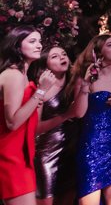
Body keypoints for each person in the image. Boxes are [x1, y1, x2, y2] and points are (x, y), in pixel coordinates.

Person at [1, 26, 65, 205]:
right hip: (11, 156)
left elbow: (31, 123)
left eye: (39, 41)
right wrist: (41, 91)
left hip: (22, 154)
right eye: (32, 41)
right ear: (17, 46)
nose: (39, 45)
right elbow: (12, 122)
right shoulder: (13, 75)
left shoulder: (23, 76)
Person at [70, 34, 111, 205]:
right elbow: (79, 114)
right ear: (97, 52)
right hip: (93, 148)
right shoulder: (85, 77)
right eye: (110, 45)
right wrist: (85, 84)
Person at [30, 46, 84, 205]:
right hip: (47, 154)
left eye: (64, 54)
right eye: (54, 56)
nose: (62, 57)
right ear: (45, 64)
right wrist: (65, 116)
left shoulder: (76, 82)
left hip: (72, 150)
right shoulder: (41, 88)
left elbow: (81, 113)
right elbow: (35, 128)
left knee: (67, 200)